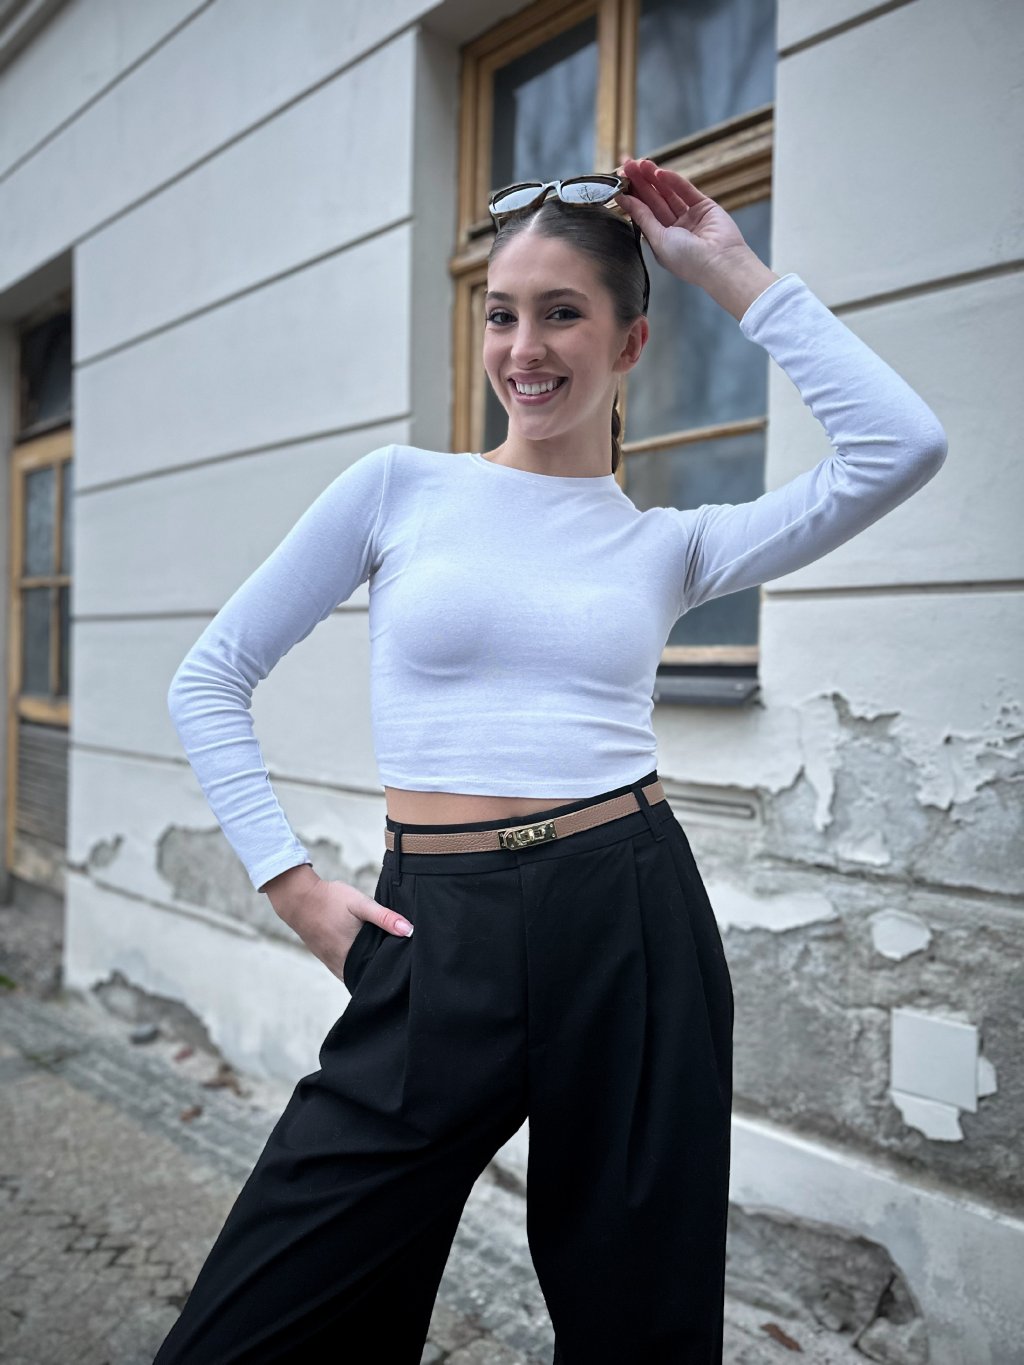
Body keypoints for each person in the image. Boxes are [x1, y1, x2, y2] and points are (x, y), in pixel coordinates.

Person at [153, 158, 947, 1364]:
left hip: (626, 918)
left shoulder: (671, 545)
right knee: (259, 1325)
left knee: (639, 1329)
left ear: (629, 344)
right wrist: (291, 883)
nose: (524, 349)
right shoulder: (396, 490)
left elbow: (900, 445)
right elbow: (210, 676)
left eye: (562, 313)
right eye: (501, 314)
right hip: (434, 929)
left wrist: (730, 270)